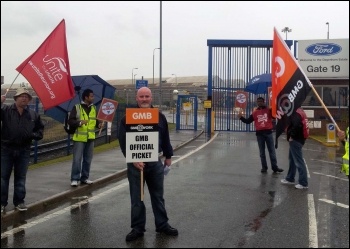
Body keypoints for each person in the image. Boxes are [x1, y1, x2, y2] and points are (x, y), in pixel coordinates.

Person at [118, 87, 178, 242]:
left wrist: (168, 156)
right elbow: (123, 140)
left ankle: (162, 225)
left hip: (155, 162)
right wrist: (132, 159)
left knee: (158, 196)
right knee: (137, 198)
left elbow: (165, 137)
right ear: (137, 99)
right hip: (136, 164)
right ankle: (137, 228)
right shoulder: (127, 118)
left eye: (147, 96)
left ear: (151, 98)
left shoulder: (159, 116)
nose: (144, 99)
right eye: (141, 96)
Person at [1, 88, 44, 213]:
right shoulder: (5, 110)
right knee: (3, 178)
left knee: (21, 177)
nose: (24, 98)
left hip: (24, 150)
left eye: (27, 97)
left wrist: (33, 135)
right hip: (6, 149)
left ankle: (19, 202)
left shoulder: (33, 114)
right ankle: (2, 203)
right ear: (15, 98)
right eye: (21, 96)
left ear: (29, 100)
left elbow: (40, 130)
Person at [238, 97, 284, 173]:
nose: (259, 103)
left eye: (260, 101)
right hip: (260, 134)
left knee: (272, 151)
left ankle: (274, 167)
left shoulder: (269, 110)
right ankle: (264, 167)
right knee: (262, 152)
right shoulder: (255, 112)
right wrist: (241, 118)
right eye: (258, 101)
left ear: (264, 101)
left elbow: (275, 116)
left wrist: (273, 108)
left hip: (268, 133)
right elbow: (248, 121)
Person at [68, 88, 103, 187]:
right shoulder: (77, 107)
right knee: (77, 159)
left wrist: (99, 125)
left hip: (90, 137)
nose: (93, 98)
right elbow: (70, 121)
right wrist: (79, 122)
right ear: (86, 97)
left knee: (88, 159)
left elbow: (94, 122)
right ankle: (75, 178)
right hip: (79, 138)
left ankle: (85, 178)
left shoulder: (93, 108)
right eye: (91, 96)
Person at [280, 108, 308, 189]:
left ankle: (303, 183)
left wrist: (291, 135)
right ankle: (290, 178)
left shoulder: (295, 113)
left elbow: (297, 125)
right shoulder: (301, 111)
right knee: (292, 159)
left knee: (299, 161)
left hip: (296, 139)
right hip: (299, 138)